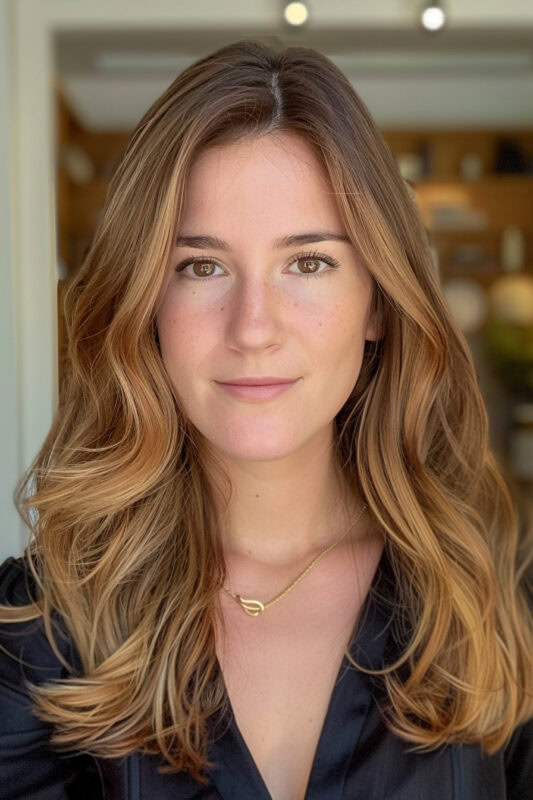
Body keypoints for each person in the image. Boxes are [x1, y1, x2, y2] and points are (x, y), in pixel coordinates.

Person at [0, 38, 532, 800]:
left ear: (377, 301)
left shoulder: (496, 603)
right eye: (201, 266)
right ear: (145, 305)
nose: (253, 327)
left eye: (308, 263)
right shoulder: (40, 629)